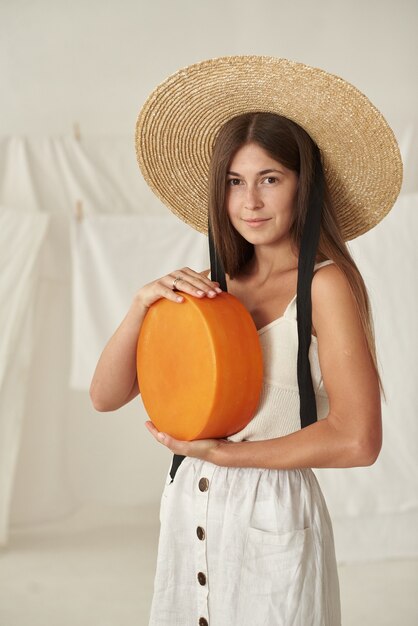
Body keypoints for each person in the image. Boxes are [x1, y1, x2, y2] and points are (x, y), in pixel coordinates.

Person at [90, 57, 402, 625]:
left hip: (275, 511)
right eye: (235, 182)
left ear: (303, 185)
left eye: (270, 179)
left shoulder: (323, 286)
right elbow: (106, 396)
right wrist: (142, 304)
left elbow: (358, 440)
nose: (250, 202)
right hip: (191, 507)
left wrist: (228, 455)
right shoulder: (209, 291)